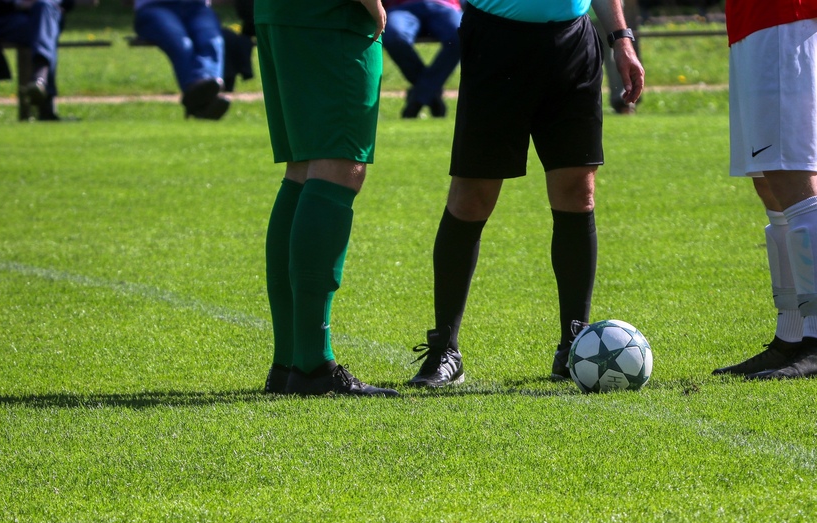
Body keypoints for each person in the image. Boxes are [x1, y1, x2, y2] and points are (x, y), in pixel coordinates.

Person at [407, 0, 644, 388]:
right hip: (496, 41)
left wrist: (621, 38)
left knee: (577, 191)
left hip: (574, 43)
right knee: (472, 195)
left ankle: (574, 340)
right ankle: (445, 349)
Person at [256, 0, 399, 396]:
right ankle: (313, 364)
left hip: (283, 15)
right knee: (337, 168)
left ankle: (289, 363)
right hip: (329, 18)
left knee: (302, 171)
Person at [712, 0, 817, 380]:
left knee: (790, 170)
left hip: (782, 15)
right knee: (768, 181)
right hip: (750, 21)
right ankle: (790, 338)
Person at [0, 0, 93, 121]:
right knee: (46, 30)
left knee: (44, 9)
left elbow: (68, 3)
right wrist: (19, 4)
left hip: (46, 15)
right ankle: (41, 82)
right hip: (9, 20)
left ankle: (40, 81)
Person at [133, 0, 228, 119]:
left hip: (197, 6)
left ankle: (200, 96)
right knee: (181, 45)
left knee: (211, 41)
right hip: (155, 6)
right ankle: (204, 98)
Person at [381, 0, 461, 119]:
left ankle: (418, 98)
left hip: (444, 5)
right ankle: (429, 94)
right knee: (394, 37)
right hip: (401, 7)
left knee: (462, 35)